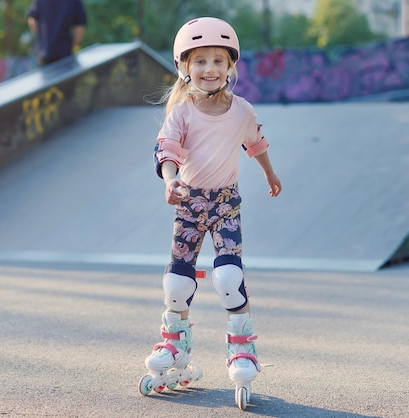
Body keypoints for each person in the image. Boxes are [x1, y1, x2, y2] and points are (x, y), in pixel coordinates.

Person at [138, 17, 282, 410]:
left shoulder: (242, 110)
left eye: (218, 60)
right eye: (200, 61)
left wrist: (270, 173)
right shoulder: (182, 112)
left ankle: (242, 348)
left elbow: (256, 143)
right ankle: (175, 344)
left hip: (225, 205)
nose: (209, 69)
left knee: (228, 277)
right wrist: (169, 180)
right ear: (185, 67)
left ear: (231, 66)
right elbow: (165, 148)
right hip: (188, 204)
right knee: (177, 282)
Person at [27, 0, 87, 66]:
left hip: (44, 51)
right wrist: (72, 45)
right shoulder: (74, 2)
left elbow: (32, 21)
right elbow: (79, 28)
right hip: (65, 51)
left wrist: (42, 37)